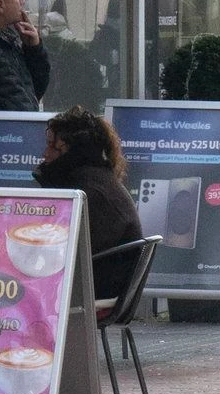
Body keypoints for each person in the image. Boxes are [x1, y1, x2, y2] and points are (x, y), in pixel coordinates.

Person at [35, 106, 148, 302]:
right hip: (103, 280)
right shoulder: (95, 179)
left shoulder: (88, 193)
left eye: (54, 147)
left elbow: (66, 252)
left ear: (74, 151)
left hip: (96, 287)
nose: (46, 153)